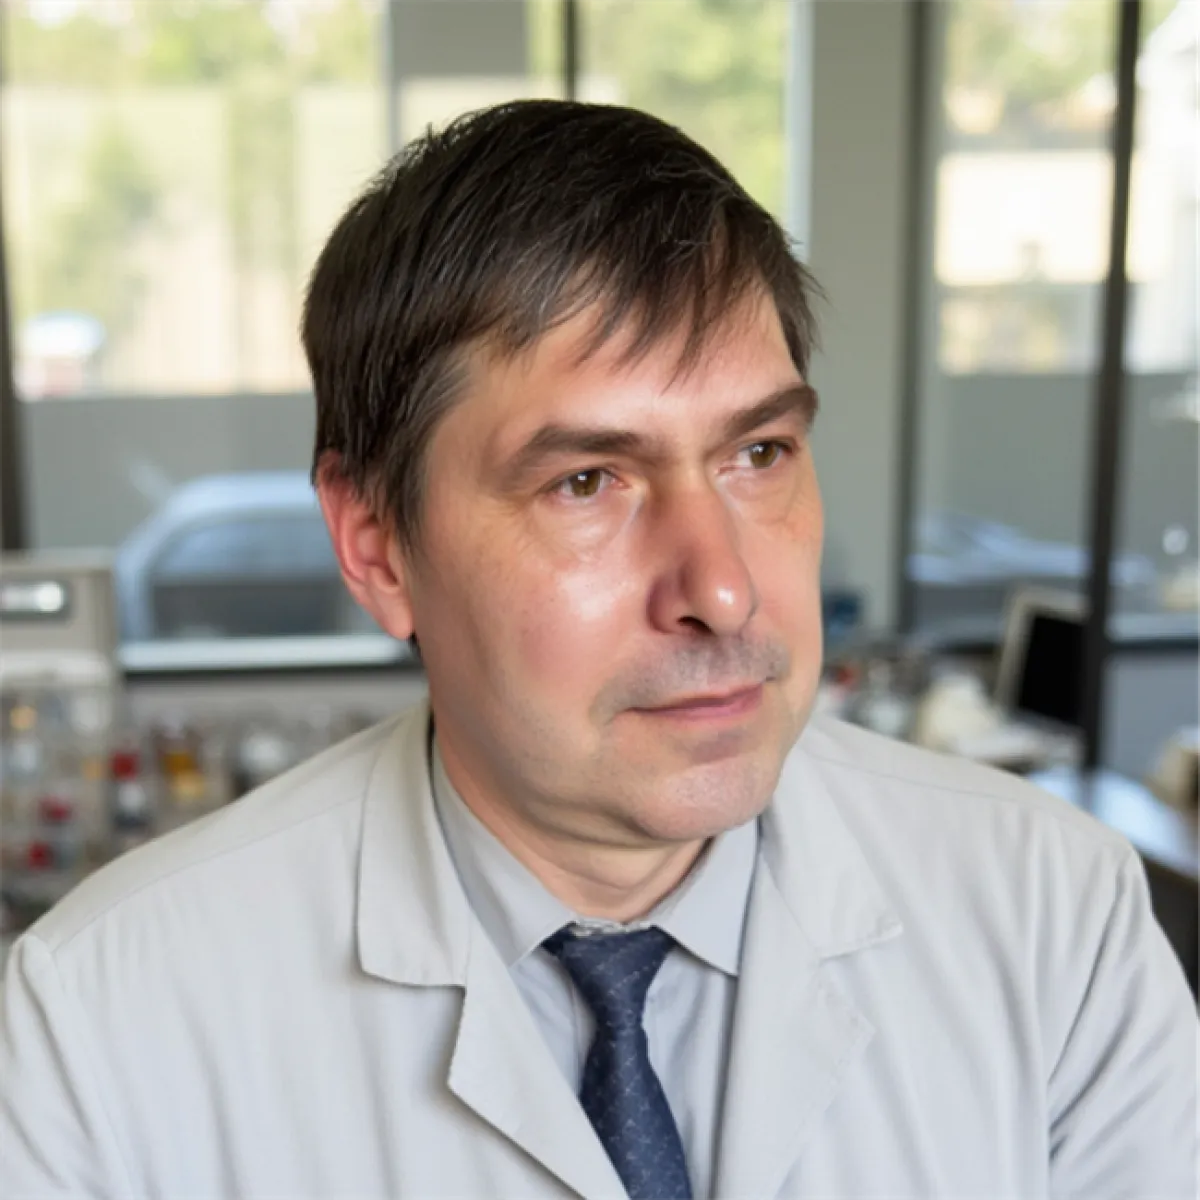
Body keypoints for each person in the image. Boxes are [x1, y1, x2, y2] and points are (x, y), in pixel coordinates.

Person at [1, 100, 1195, 1200]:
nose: (722, 589)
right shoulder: (101, 1025)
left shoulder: (1051, 916)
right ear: (377, 546)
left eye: (759, 455)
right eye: (586, 481)